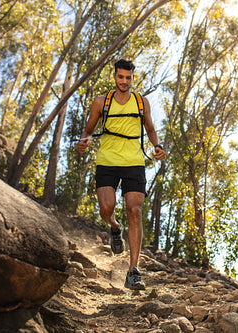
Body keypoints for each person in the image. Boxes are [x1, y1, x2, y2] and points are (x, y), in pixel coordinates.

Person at [77, 59, 165, 290]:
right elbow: (89, 129)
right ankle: (115, 227)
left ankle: (133, 271)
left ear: (132, 78)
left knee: (134, 210)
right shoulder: (101, 102)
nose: (124, 81)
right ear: (114, 76)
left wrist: (157, 146)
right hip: (107, 161)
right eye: (120, 77)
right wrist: (84, 140)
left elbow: (150, 128)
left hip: (134, 162)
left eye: (128, 77)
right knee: (106, 208)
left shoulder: (140, 102)